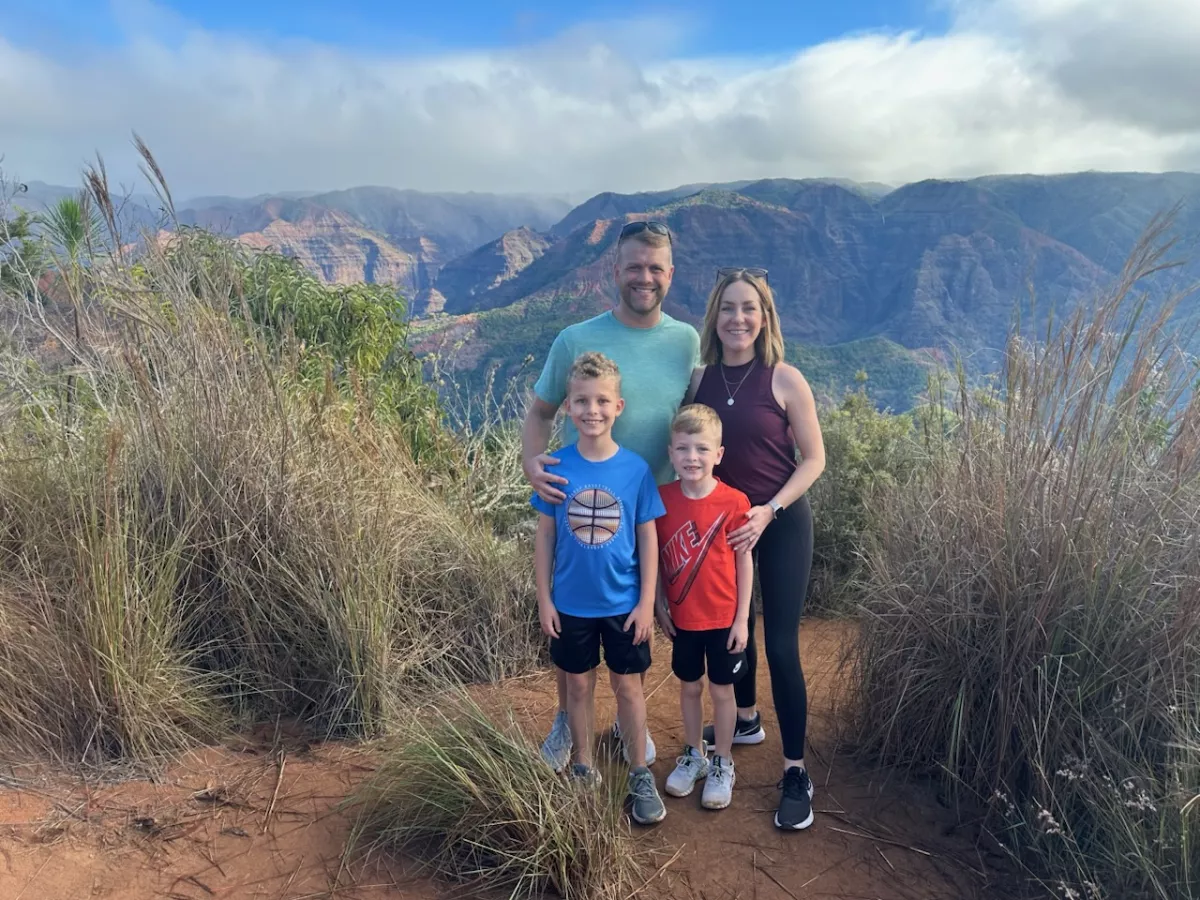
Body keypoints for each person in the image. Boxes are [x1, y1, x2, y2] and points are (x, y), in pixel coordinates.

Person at [523, 220, 700, 772]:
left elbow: (693, 419)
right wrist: (533, 467)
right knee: (576, 610)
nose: (644, 278)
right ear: (614, 271)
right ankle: (566, 716)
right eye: (633, 267)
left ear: (669, 274)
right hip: (581, 499)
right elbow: (540, 412)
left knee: (634, 619)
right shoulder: (575, 339)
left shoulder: (685, 340)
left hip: (654, 506)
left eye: (655, 268)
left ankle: (628, 720)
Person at [688, 266, 826, 831]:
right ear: (714, 318)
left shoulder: (785, 379)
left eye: (749, 308)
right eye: (728, 308)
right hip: (726, 529)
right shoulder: (697, 380)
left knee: (782, 647)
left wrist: (770, 510)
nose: (738, 318)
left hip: (781, 522)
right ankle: (744, 719)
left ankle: (795, 770)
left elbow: (814, 459)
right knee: (728, 628)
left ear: (764, 317)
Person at [532, 351, 667, 826]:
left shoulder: (634, 471)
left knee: (628, 687)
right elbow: (545, 535)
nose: (592, 410)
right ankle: (583, 766)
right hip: (570, 604)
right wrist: (545, 598)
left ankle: (638, 771)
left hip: (624, 603)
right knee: (577, 685)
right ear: (567, 406)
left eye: (602, 401)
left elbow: (648, 536)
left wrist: (646, 600)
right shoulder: (556, 467)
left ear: (619, 407)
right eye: (582, 401)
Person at [654, 404, 753, 810]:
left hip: (723, 616)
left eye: (701, 448)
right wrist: (660, 603)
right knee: (690, 686)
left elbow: (744, 560)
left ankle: (723, 762)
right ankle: (695, 755)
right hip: (683, 618)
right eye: (683, 448)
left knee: (722, 689)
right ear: (671, 453)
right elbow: (657, 556)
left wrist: (743, 618)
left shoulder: (734, 502)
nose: (692, 457)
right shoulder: (662, 500)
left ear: (719, 454)